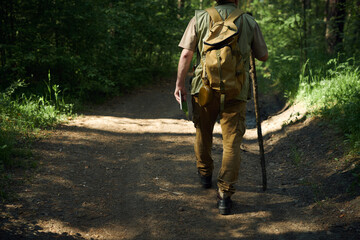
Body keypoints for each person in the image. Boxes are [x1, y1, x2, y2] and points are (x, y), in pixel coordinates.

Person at [174, 0, 268, 215]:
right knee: (232, 141)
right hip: (236, 90)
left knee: (203, 131)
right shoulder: (248, 20)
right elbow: (263, 56)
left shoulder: (199, 18)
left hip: (204, 87)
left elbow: (187, 54)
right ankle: (225, 195)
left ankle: (205, 174)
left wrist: (180, 85)